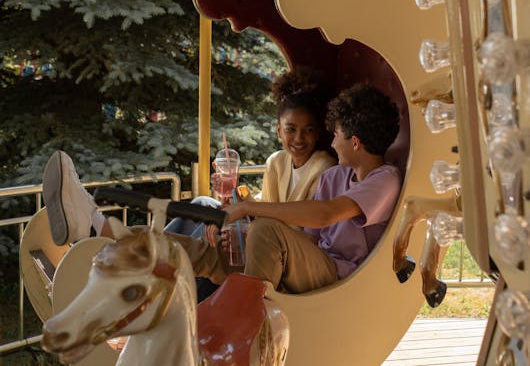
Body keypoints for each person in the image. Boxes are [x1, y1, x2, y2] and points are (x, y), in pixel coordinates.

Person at [43, 83, 402, 294]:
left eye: (336, 134)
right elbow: (306, 236)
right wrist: (244, 232)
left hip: (337, 274)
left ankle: (243, 317)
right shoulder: (334, 177)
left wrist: (250, 212)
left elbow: (325, 215)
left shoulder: (383, 179)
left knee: (263, 227)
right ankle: (98, 227)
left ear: (354, 142)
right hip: (302, 259)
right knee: (205, 252)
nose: (331, 141)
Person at [163, 67, 336, 299]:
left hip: (291, 257)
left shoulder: (324, 167)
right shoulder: (276, 162)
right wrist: (234, 198)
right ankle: (152, 254)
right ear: (278, 130)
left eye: (308, 131)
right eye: (291, 130)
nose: (298, 138)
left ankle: (170, 284)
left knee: (215, 245)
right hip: (265, 239)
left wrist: (245, 225)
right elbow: (265, 212)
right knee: (203, 205)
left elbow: (297, 233)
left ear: (317, 134)